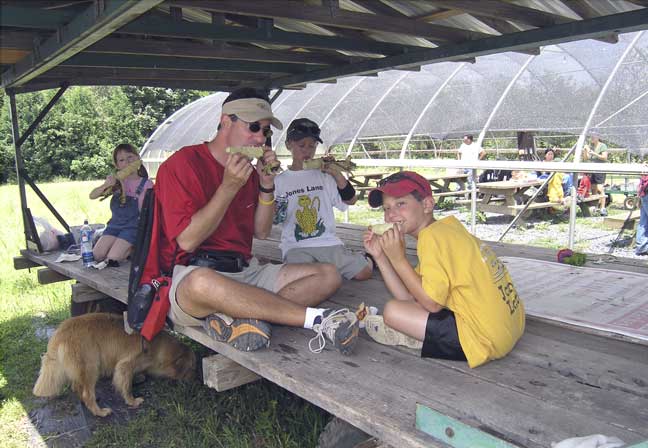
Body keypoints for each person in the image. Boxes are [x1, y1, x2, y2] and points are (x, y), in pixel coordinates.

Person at [154, 88, 362, 355]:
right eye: (253, 127)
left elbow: (261, 232)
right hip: (195, 273)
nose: (259, 138)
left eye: (265, 131)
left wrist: (266, 185)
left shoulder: (251, 173)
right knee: (201, 283)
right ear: (226, 121)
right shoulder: (182, 163)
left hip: (246, 272)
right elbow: (188, 240)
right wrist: (228, 188)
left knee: (328, 275)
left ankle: (243, 318)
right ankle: (318, 320)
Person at [362, 171, 525, 368]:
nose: (390, 214)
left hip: (484, 339)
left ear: (427, 205)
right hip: (511, 326)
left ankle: (418, 338)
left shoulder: (431, 239)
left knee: (392, 312)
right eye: (386, 208)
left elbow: (431, 305)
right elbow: (410, 298)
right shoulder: (447, 229)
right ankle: (418, 335)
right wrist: (380, 256)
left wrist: (399, 259)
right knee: (400, 307)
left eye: (400, 204)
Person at [274, 118, 373, 281]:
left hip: (327, 242)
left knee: (363, 273)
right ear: (288, 145)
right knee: (303, 278)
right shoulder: (280, 181)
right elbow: (276, 218)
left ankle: (368, 258)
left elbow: (351, 200)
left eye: (312, 146)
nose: (307, 151)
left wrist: (336, 173)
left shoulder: (324, 176)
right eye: (301, 145)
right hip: (296, 246)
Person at [89, 144, 153, 263]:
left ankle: (133, 249)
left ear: (138, 159)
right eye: (122, 160)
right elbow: (92, 195)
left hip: (133, 228)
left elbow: (147, 212)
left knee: (113, 258)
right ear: (117, 165)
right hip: (115, 225)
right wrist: (106, 185)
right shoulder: (115, 183)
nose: (127, 162)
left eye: (130, 157)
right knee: (97, 255)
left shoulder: (146, 184)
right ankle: (122, 248)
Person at [583, 132, 609, 216]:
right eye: (591, 136)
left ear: (598, 137)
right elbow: (585, 158)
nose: (592, 138)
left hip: (600, 169)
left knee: (600, 188)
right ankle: (595, 207)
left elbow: (604, 157)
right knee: (593, 188)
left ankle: (603, 208)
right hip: (592, 169)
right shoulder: (590, 146)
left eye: (594, 136)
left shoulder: (602, 145)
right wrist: (585, 150)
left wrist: (594, 153)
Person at [635, 174, 648, 256]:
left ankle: (641, 248)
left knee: (643, 222)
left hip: (644, 194)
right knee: (643, 222)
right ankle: (642, 247)